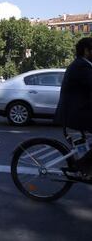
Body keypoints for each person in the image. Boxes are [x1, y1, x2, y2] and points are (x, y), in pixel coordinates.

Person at [55, 37, 92, 175]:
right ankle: (81, 166)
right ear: (87, 51)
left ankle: (85, 167)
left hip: (78, 113)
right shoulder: (81, 67)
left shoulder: (83, 65)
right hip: (75, 116)